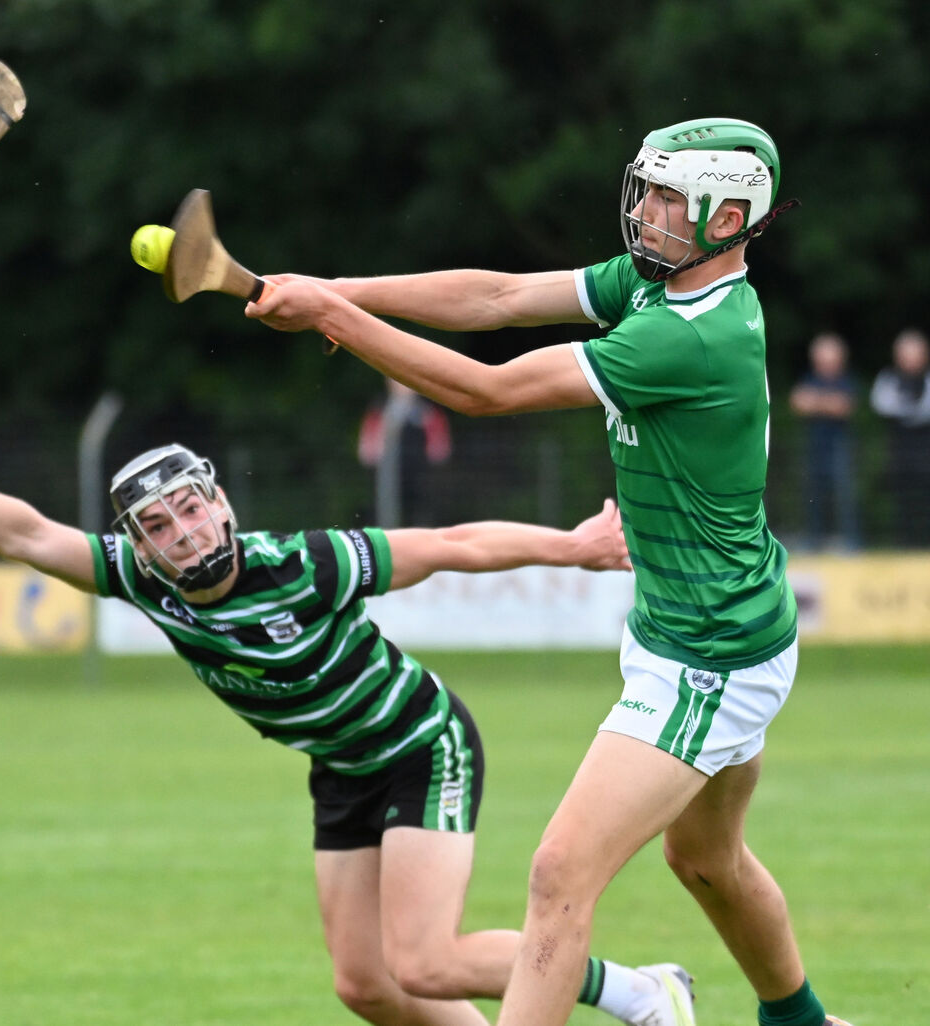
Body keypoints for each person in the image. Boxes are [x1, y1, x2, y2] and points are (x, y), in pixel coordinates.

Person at [247, 117, 854, 1026]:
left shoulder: (689, 337)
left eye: (664, 197)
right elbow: (496, 297)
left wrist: (334, 319)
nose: (643, 210)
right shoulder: (659, 289)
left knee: (560, 875)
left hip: (709, 655)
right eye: (643, 188)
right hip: (707, 630)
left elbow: (483, 390)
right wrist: (335, 288)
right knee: (706, 861)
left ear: (728, 217)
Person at [0, 414, 696, 1026]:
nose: (180, 534)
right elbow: (28, 535)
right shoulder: (142, 581)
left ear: (220, 503)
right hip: (338, 767)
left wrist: (575, 546)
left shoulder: (304, 564)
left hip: (418, 745)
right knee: (365, 986)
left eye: (189, 508)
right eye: (157, 527)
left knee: (427, 961)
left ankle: (639, 994)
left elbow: (450, 544)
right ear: (141, 548)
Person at [787, 332, 860, 550]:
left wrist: (815, 402)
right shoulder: (809, 378)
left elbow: (844, 407)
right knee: (812, 496)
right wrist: (828, 403)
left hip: (840, 448)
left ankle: (851, 542)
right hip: (814, 446)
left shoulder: (847, 380)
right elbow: (797, 403)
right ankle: (813, 541)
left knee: (845, 496)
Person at [358, 377, 453, 526]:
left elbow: (440, 450)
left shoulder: (427, 412)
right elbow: (367, 450)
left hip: (420, 477)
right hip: (388, 477)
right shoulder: (379, 409)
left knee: (420, 516)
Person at [869, 327, 930, 548]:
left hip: (925, 451)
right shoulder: (888, 379)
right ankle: (903, 545)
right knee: (902, 502)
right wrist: (912, 410)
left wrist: (905, 410)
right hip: (899, 452)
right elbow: (880, 404)